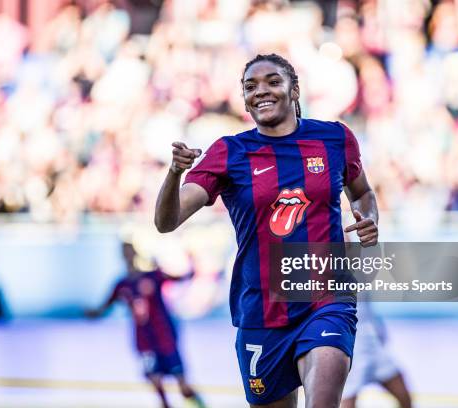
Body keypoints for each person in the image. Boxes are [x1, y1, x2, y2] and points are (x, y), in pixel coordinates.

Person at [155, 53, 379, 408]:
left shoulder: (334, 139)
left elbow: (363, 192)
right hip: (261, 311)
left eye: (273, 81)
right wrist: (174, 174)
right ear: (243, 99)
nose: (261, 91)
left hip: (326, 299)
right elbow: (167, 222)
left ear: (294, 90)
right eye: (250, 86)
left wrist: (369, 218)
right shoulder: (229, 152)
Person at [86, 242, 205, 408]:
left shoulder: (153, 276)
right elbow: (103, 309)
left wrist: (192, 263)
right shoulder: (122, 285)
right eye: (125, 252)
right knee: (157, 386)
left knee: (183, 386)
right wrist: (88, 313)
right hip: (144, 342)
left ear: (136, 253)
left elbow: (181, 278)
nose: (128, 255)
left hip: (165, 338)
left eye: (130, 251)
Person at [341, 301, 412, 408]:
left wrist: (380, 332)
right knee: (348, 395)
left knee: (403, 393)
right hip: (351, 343)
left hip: (372, 342)